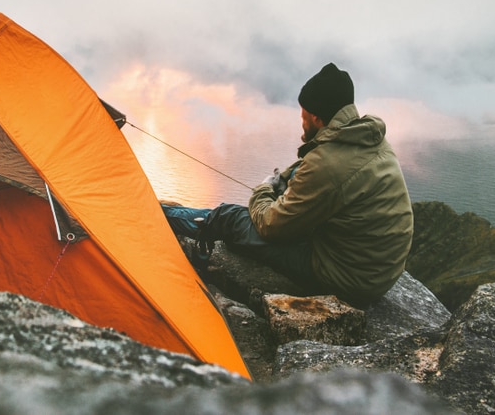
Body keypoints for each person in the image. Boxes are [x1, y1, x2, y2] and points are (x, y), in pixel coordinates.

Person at [162, 62, 413, 309]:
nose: (301, 119)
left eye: (303, 113)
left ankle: (162, 215)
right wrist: (283, 182)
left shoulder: (327, 162)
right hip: (377, 271)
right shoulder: (369, 139)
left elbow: (271, 226)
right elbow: (314, 174)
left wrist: (263, 189)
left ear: (315, 117)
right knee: (283, 188)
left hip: (347, 278)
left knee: (229, 217)